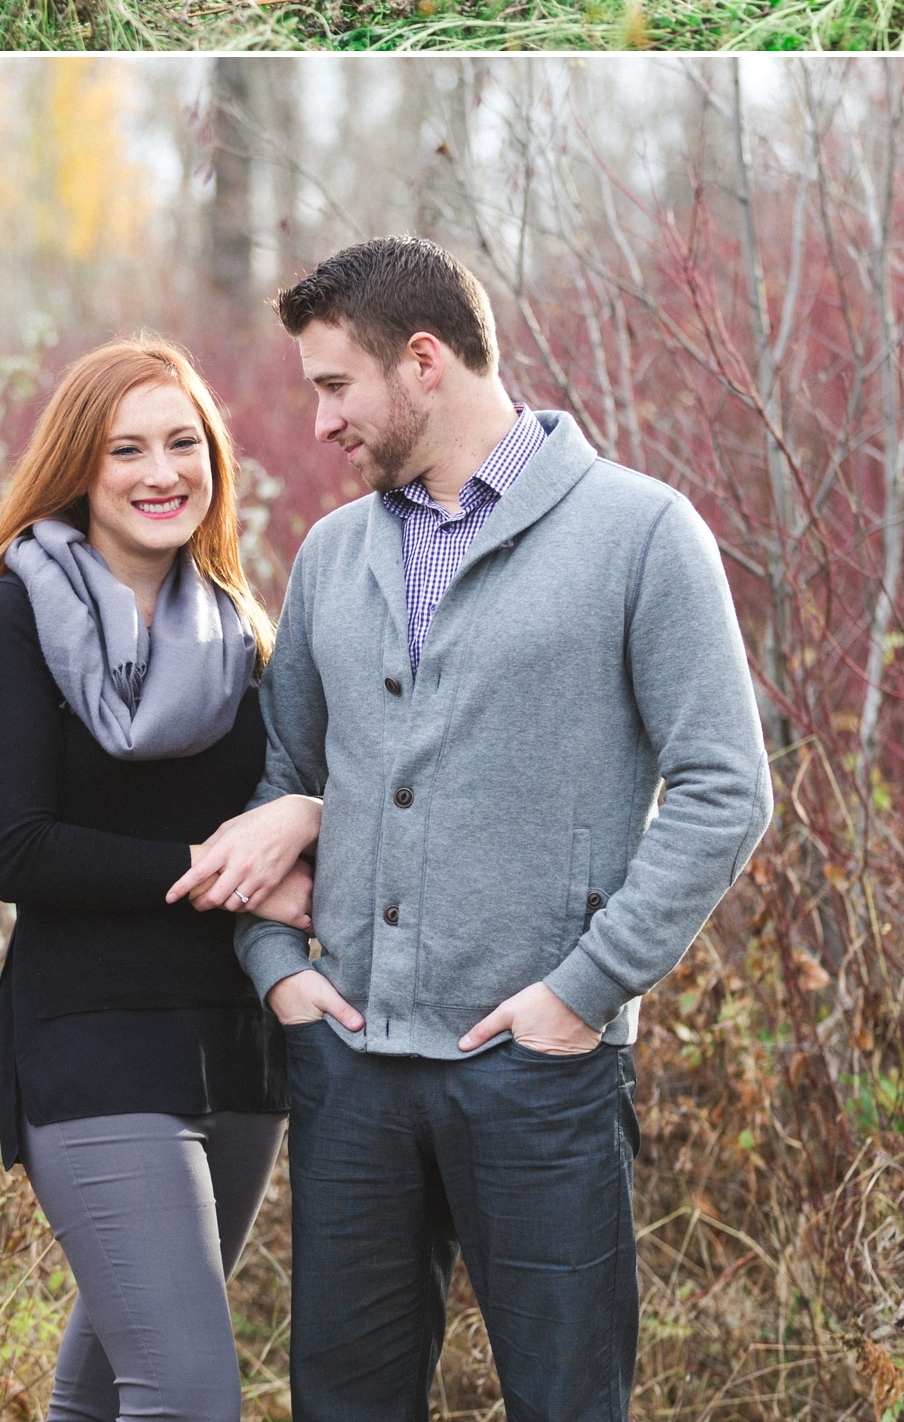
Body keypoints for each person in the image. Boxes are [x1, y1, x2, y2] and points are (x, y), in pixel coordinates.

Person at [225, 238, 774, 1422]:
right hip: (351, 1064)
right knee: (341, 1401)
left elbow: (726, 786)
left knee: (566, 1399)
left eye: (333, 385)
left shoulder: (638, 533)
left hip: (538, 1070)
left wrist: (583, 990)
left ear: (422, 361)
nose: (319, 421)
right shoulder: (331, 554)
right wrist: (276, 973)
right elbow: (283, 773)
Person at [0, 337, 320, 1422]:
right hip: (93, 1040)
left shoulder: (245, 636)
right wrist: (227, 872)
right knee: (191, 1392)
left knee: (111, 1385)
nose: (162, 471)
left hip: (237, 1046)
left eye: (182, 442)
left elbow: (316, 802)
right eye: (127, 448)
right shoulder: (6, 622)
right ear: (80, 466)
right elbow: (17, 848)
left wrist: (302, 820)